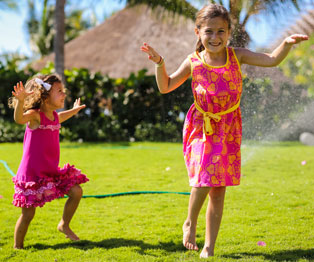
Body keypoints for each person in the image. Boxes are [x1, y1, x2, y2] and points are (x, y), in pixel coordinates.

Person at [140, 3, 308, 258]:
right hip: (202, 127)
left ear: (229, 32)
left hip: (229, 128)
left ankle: (209, 246)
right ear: (198, 32)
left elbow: (272, 60)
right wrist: (160, 63)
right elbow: (165, 86)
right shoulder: (193, 62)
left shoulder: (236, 55)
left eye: (221, 31)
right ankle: (190, 222)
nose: (215, 37)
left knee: (218, 190)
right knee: (205, 175)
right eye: (209, 31)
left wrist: (286, 43)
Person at [8, 74, 89, 249]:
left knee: (76, 191)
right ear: (45, 96)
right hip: (32, 175)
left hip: (51, 172)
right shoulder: (35, 116)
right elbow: (19, 119)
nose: (64, 94)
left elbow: (62, 117)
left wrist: (75, 111)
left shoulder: (53, 116)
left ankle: (64, 225)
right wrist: (21, 101)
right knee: (28, 214)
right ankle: (18, 247)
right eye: (59, 91)